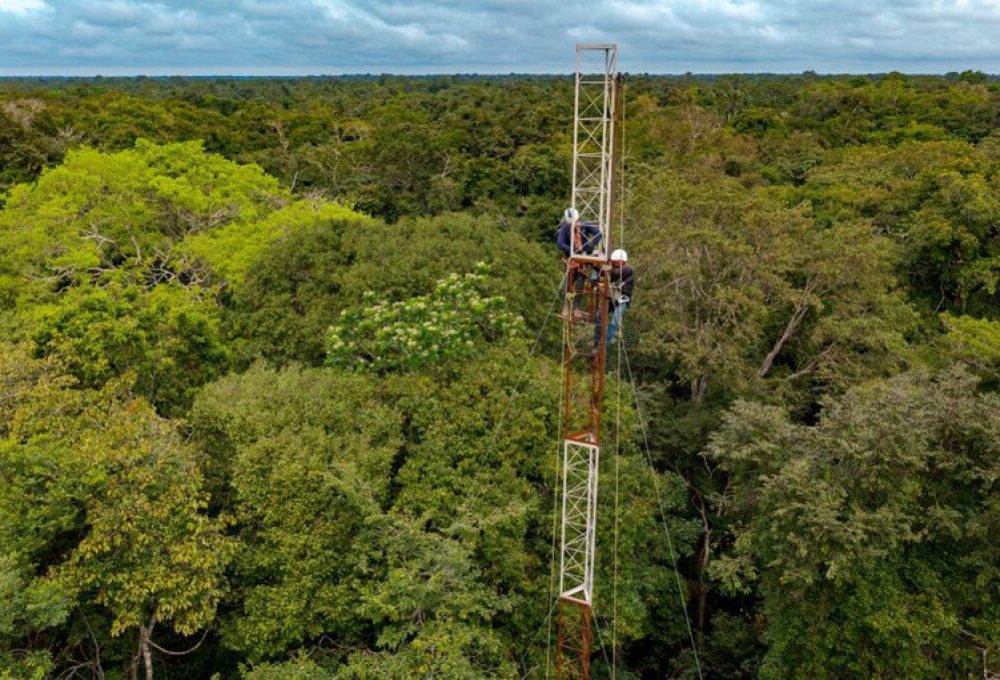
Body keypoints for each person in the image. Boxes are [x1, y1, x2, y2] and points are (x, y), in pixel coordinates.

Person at [594, 248, 633, 349]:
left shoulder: (627, 269)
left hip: (622, 300)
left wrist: (598, 265)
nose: (613, 263)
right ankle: (597, 341)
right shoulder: (618, 271)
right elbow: (608, 275)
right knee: (599, 314)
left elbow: (612, 273)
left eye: (614, 261)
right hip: (614, 298)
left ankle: (604, 345)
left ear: (621, 261)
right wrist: (596, 265)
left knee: (615, 320)